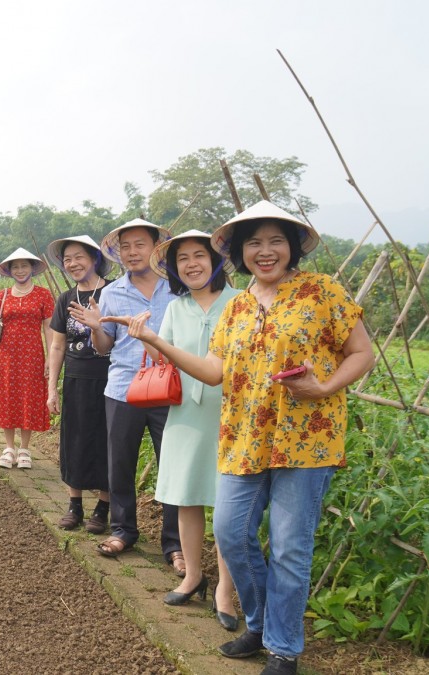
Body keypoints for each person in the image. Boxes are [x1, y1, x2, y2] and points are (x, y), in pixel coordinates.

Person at [103, 201, 373, 675]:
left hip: (306, 441)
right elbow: (213, 371)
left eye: (275, 242)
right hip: (243, 438)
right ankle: (260, 621)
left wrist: (325, 385)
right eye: (254, 243)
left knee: (289, 547)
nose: (265, 251)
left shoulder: (322, 291)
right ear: (240, 252)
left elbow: (361, 353)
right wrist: (159, 343)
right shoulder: (239, 307)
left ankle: (283, 648)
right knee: (230, 534)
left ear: (292, 248)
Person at [142, 230, 240, 627]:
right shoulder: (176, 307)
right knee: (186, 496)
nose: (191, 264)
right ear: (174, 268)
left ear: (217, 260)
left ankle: (225, 592)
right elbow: (161, 353)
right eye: (183, 259)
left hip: (232, 413)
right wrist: (145, 336)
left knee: (230, 506)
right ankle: (194, 577)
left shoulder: (241, 303)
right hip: (184, 411)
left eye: (200, 255)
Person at [74, 218, 182, 575]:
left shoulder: (177, 289)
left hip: (170, 387)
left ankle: (175, 544)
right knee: (119, 461)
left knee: (172, 466)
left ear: (155, 248)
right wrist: (95, 328)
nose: (132, 252)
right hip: (123, 388)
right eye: (125, 247)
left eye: (140, 244)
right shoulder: (111, 292)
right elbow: (105, 347)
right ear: (117, 253)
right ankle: (123, 530)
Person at [45, 235, 113, 533]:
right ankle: (74, 506)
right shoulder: (66, 298)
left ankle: (103, 509)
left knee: (105, 441)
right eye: (67, 259)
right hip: (75, 378)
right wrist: (52, 387)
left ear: (95, 258)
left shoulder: (113, 293)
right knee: (73, 439)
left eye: (78, 257)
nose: (73, 263)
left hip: (110, 379)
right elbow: (58, 346)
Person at [0, 248, 54, 470]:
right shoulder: (2, 295)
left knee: (29, 397)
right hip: (6, 355)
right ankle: (8, 448)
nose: (20, 270)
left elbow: (49, 328)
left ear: (32, 268)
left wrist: (50, 357)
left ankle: (25, 448)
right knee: (7, 396)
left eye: (24, 266)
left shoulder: (43, 295)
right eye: (15, 267)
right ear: (9, 271)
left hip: (33, 355)